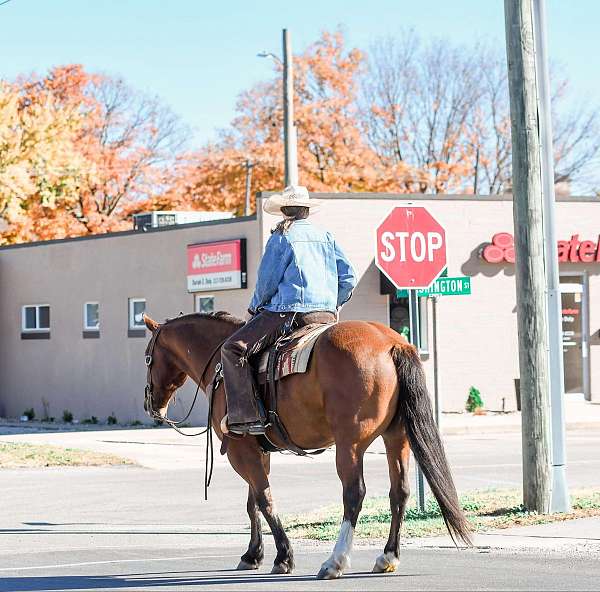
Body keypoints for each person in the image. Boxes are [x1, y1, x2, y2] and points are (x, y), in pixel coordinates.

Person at [221, 185, 357, 435]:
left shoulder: (282, 237)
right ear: (306, 210)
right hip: (325, 316)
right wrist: (333, 303)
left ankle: (247, 417)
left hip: (288, 314)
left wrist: (253, 310)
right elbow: (349, 277)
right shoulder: (326, 236)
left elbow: (267, 283)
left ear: (284, 210)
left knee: (232, 349)